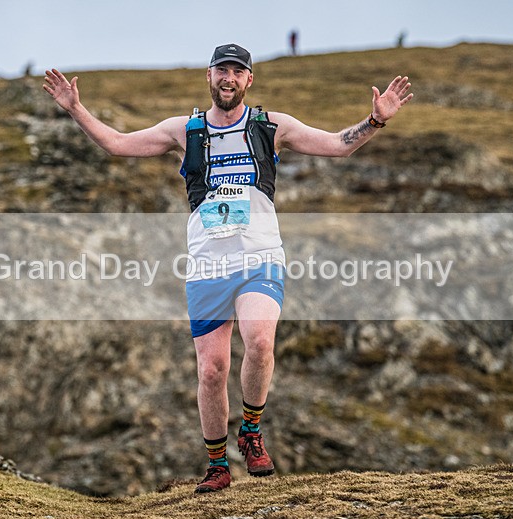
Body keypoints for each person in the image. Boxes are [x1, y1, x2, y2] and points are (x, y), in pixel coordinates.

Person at [43, 43, 412, 493]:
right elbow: (117, 144)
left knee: (260, 341)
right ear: (209, 75)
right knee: (212, 370)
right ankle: (217, 465)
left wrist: (375, 121)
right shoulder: (185, 131)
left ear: (249, 80)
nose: (229, 78)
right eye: (222, 70)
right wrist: (75, 108)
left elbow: (337, 145)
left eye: (238, 72)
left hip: (260, 258)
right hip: (207, 266)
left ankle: (251, 431)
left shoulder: (270, 126)